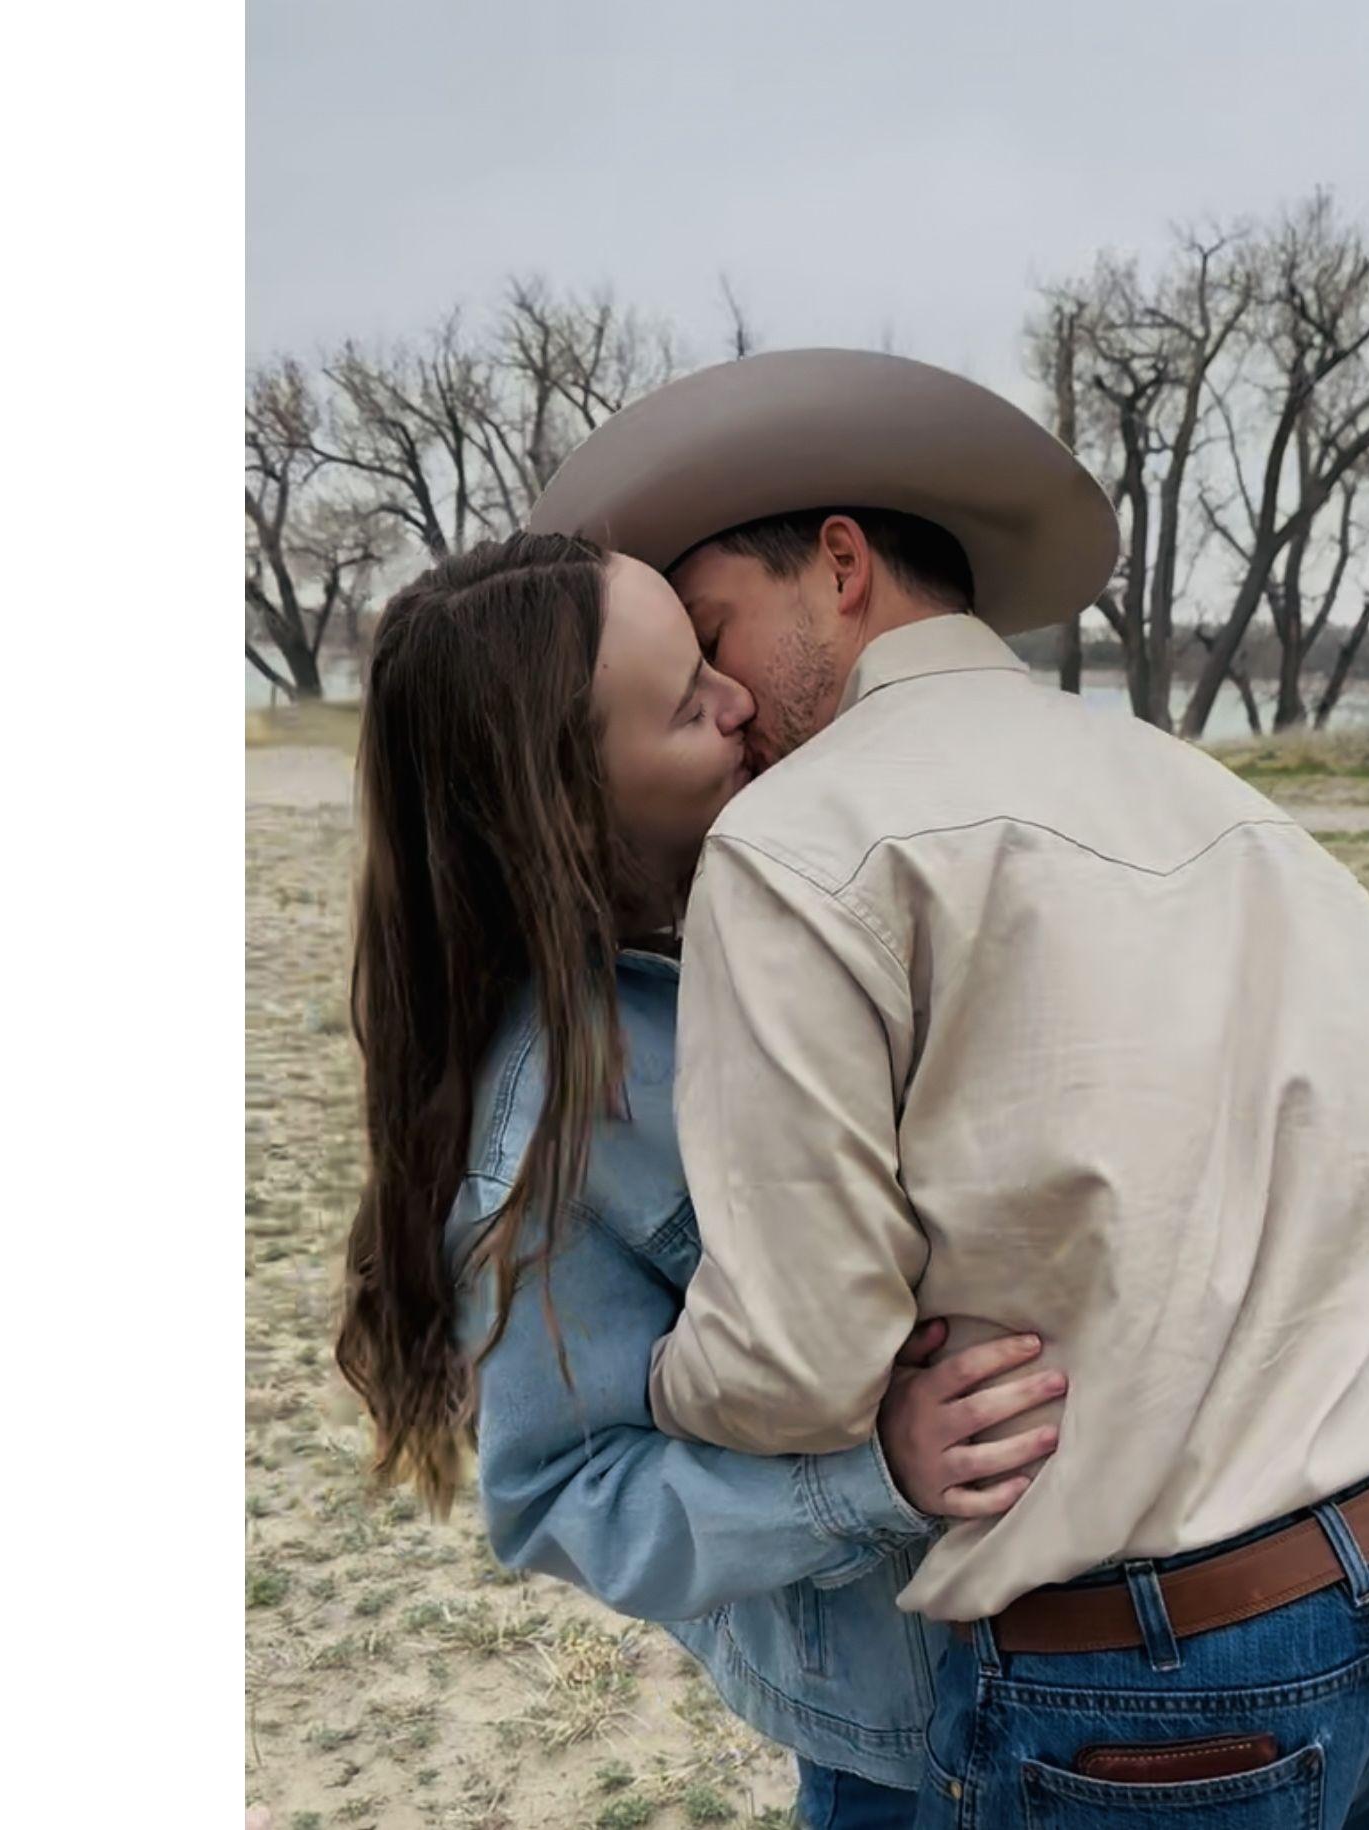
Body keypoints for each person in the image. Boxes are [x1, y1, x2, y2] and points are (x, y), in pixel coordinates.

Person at [524, 348, 1369, 1827]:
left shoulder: (798, 842)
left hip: (1150, 1672)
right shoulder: (1241, 813)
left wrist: (648, 1381)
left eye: (715, 636)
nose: (720, 703)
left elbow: (801, 1359)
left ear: (838, 563)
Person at [332, 533, 1068, 1828]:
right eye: (686, 705)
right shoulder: (557, 1108)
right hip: (910, 1737)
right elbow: (562, 1492)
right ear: (566, 807)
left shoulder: (759, 918)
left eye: (709, 655)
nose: (738, 700)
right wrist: (872, 1473)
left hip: (1055, 1665)